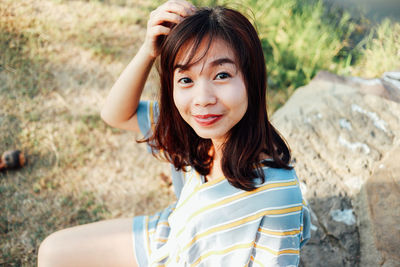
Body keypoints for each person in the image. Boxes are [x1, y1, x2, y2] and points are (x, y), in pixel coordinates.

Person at [38, 0, 310, 266]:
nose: (202, 99)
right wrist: (148, 51)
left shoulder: (277, 194)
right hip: (169, 238)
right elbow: (115, 115)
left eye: (222, 75)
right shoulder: (194, 131)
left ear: (252, 79)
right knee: (52, 252)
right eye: (186, 79)